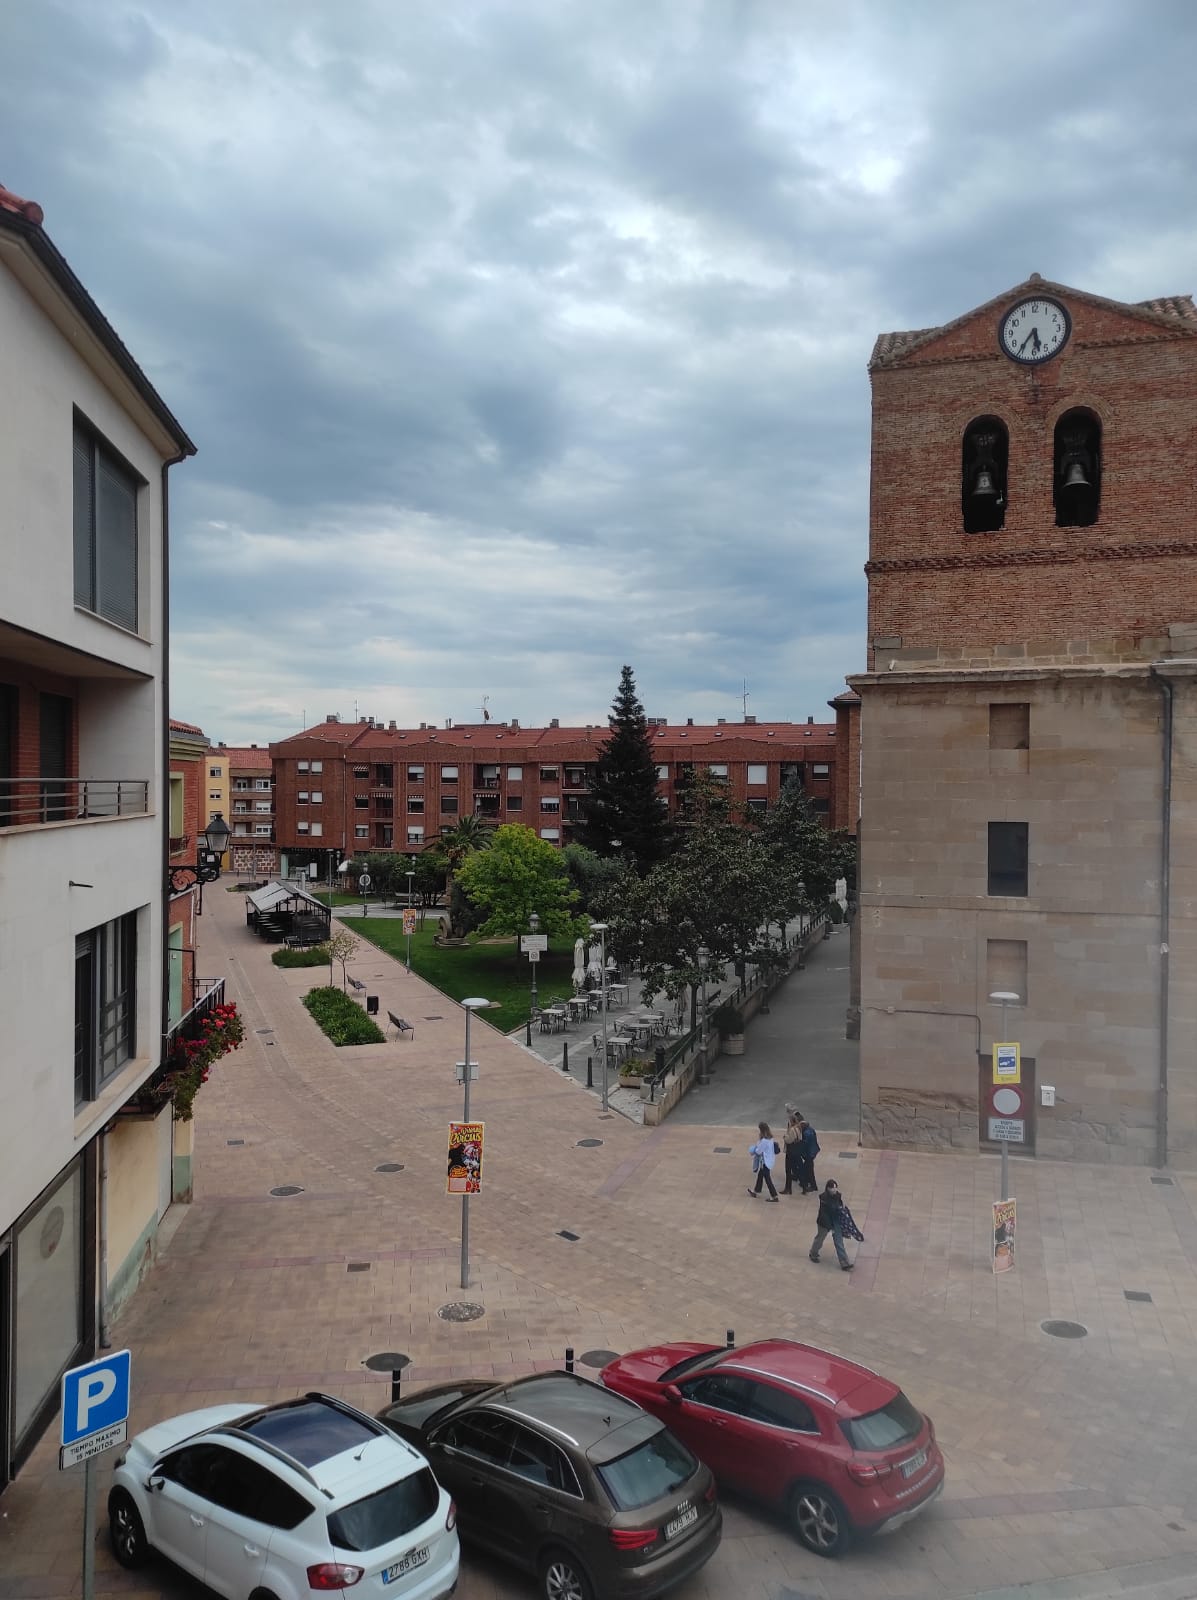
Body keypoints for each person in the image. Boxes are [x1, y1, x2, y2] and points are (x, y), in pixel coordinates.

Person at [810, 1179, 853, 1269]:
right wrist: (830, 1227)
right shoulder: (824, 1198)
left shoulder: (837, 1196)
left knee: (839, 1241)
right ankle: (813, 1253)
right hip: (824, 1223)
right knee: (820, 1239)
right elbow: (824, 1214)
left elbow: (839, 1205)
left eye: (835, 1187)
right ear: (828, 1188)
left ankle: (844, 1262)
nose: (834, 1189)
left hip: (835, 1220)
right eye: (832, 1188)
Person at [747, 1121, 780, 1200]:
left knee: (767, 1179)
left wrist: (755, 1148)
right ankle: (756, 1191)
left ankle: (774, 1196)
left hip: (765, 1162)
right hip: (769, 1160)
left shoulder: (764, 1141)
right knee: (760, 1175)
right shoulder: (770, 1138)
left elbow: (758, 1151)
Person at [780, 1107, 803, 1195]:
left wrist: (785, 1137)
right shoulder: (799, 1128)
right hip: (796, 1150)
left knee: (788, 1170)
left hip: (791, 1151)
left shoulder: (793, 1129)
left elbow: (789, 1140)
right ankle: (804, 1186)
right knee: (798, 1167)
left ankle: (788, 1188)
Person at [798, 1117, 821, 1194]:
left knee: (809, 1169)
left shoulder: (806, 1133)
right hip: (813, 1151)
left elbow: (804, 1144)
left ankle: (813, 1185)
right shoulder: (811, 1129)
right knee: (806, 1167)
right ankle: (806, 1181)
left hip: (809, 1153)